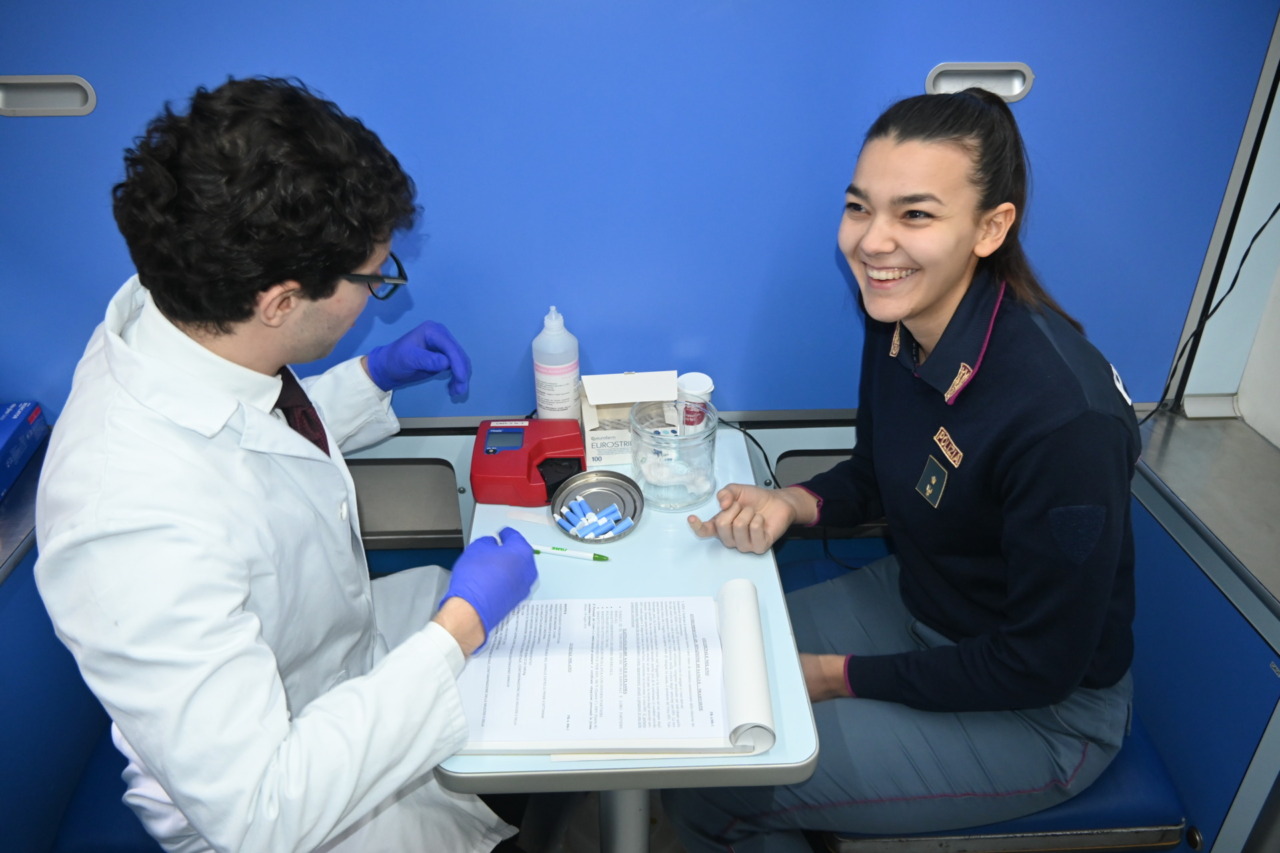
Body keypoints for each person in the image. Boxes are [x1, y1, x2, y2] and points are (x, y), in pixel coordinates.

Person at [35, 77, 537, 853]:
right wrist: (457, 631)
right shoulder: (125, 522)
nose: (378, 292)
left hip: (330, 655)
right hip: (282, 794)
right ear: (279, 302)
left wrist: (369, 377)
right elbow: (264, 811)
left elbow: (245, 438)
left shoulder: (183, 304)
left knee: (530, 647)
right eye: (372, 279)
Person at [663, 88, 1141, 852]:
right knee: (706, 666)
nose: (872, 241)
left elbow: (1039, 664)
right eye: (860, 207)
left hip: (1041, 711)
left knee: (718, 772)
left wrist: (835, 676)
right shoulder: (899, 318)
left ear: (991, 228)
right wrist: (792, 503)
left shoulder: (1063, 420)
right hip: (924, 600)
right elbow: (878, 474)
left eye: (914, 214)